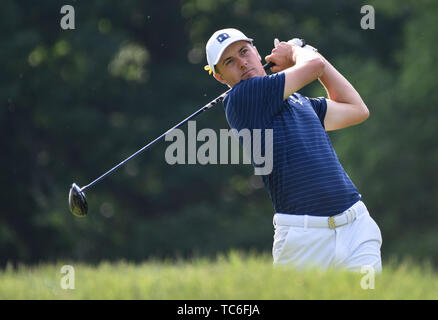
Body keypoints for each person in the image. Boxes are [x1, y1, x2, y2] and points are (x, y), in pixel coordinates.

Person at [204, 28, 382, 272]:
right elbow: (313, 67)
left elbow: (356, 109)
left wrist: (308, 54)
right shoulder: (241, 98)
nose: (242, 63)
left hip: (355, 225)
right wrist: (298, 52)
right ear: (220, 77)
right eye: (229, 62)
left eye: (244, 52)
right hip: (304, 238)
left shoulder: (299, 102)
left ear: (257, 52)